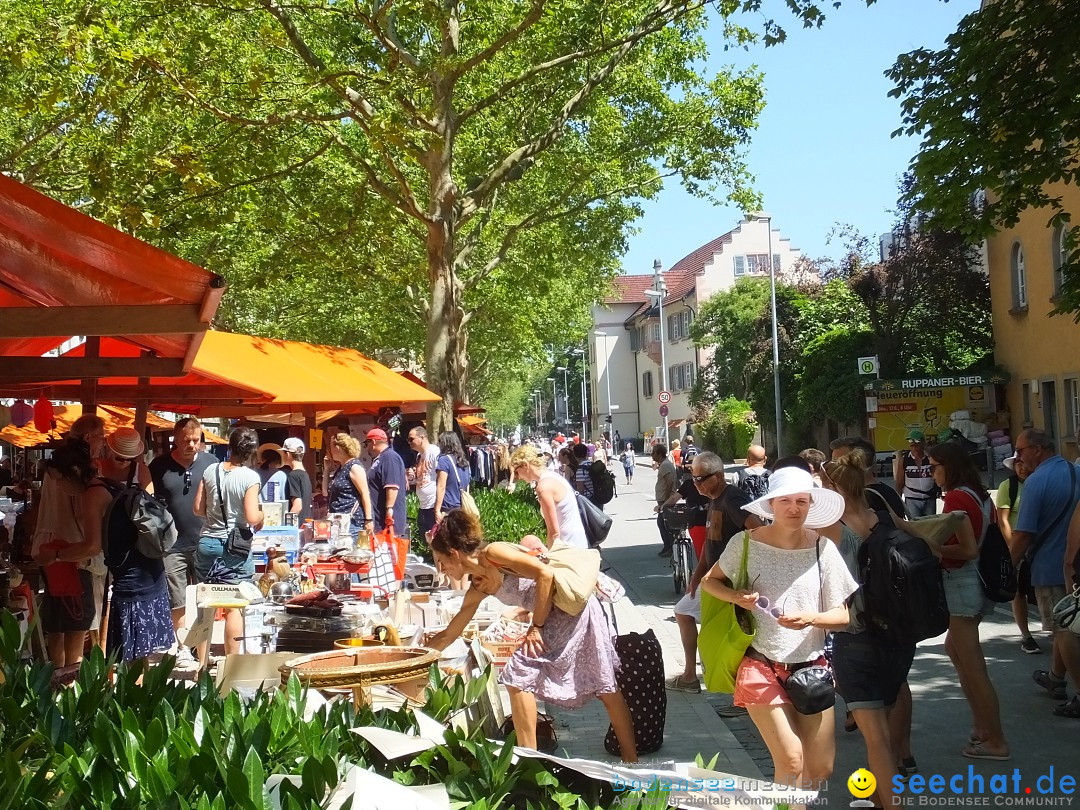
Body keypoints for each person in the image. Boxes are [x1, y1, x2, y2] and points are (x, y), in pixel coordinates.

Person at [426, 509, 637, 761]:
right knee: (527, 677)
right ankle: (531, 759)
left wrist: (535, 627)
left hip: (572, 610)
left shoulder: (493, 554)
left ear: (455, 553)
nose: (442, 570)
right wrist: (417, 656)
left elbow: (545, 574)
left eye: (441, 562)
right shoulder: (479, 585)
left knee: (601, 684)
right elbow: (451, 633)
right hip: (554, 616)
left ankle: (627, 761)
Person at [700, 467, 856, 790]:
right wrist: (736, 597)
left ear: (811, 504)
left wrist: (810, 618)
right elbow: (709, 582)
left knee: (821, 769)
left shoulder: (822, 547)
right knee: (792, 759)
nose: (794, 508)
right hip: (760, 664)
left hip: (811, 668)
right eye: (785, 500)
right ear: (770, 505)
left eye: (801, 501)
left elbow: (843, 617)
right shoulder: (744, 544)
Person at [819, 453, 919, 804]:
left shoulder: (830, 527)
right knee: (883, 739)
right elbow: (929, 548)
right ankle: (880, 801)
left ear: (832, 489)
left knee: (875, 739)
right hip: (896, 639)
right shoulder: (883, 517)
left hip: (855, 636)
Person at [46, 428, 173, 665]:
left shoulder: (93, 493)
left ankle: (133, 701)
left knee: (131, 656)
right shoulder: (108, 484)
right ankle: (137, 699)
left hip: (134, 578)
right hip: (148, 572)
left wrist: (54, 555)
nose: (60, 488)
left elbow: (91, 547)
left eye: (60, 481)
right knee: (136, 655)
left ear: (73, 472)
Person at [927, 440, 1010, 759]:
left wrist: (933, 547)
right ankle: (982, 729)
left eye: (935, 466)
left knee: (973, 665)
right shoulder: (975, 493)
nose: (931, 472)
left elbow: (965, 550)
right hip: (972, 581)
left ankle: (996, 740)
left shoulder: (958, 496)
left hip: (961, 580)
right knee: (957, 651)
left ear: (950, 466)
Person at [664, 452, 761, 695]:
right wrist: (695, 579)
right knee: (686, 612)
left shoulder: (732, 498)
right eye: (693, 478)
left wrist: (740, 565)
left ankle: (711, 683)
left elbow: (758, 529)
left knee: (735, 635)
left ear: (718, 476)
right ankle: (692, 676)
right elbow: (710, 545)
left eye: (700, 479)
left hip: (729, 582)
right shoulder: (714, 499)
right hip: (714, 581)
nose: (696, 484)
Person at [1009, 428, 1080, 718]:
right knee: (1071, 625)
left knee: (1063, 631)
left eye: (1021, 450)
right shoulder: (1074, 470)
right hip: (1077, 564)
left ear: (1038, 449)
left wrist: (1007, 566)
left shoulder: (1037, 481)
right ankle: (1055, 677)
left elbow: (1024, 533)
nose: (1018, 457)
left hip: (1051, 566)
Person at [32, 413, 107, 667]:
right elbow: (82, 514)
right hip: (74, 551)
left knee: (57, 621)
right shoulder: (79, 465)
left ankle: (57, 674)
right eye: (101, 437)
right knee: (77, 621)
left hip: (48, 544)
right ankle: (69, 680)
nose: (102, 443)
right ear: (89, 437)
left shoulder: (59, 460)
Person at [149, 416, 217, 666]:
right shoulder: (158, 465)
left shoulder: (211, 463)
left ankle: (203, 651)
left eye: (196, 440)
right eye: (186, 440)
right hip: (172, 544)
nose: (191, 445)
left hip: (204, 541)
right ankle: (182, 648)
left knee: (204, 598)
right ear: (175, 440)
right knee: (176, 598)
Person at [192, 427, 264, 658]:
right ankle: (231, 664)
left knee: (205, 606)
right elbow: (252, 517)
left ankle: (201, 665)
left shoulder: (210, 470)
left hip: (207, 542)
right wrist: (261, 516)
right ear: (251, 451)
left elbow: (197, 509)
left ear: (230, 446)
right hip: (235, 547)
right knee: (235, 606)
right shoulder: (251, 477)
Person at [996, 453, 1040, 654]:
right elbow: (1003, 520)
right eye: (1017, 463)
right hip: (1017, 544)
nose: (1021, 467)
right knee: (1018, 592)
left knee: (1040, 590)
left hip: (1039, 546)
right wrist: (1013, 548)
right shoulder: (1008, 486)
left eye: (1024, 462)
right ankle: (1026, 635)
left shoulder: (1039, 483)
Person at [511, 445, 587, 549]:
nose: (517, 477)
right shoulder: (553, 476)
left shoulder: (543, 488)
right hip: (577, 542)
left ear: (525, 465)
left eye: (516, 471)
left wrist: (550, 557)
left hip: (568, 548)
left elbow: (554, 533)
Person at [830, 436, 907, 517]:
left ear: (860, 462)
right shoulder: (888, 491)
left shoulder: (864, 499)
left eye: (840, 462)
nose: (833, 467)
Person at [327, 432, 373, 540]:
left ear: (338, 447)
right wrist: (326, 470)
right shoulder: (342, 468)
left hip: (351, 522)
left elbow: (365, 493)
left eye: (331, 447)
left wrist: (368, 519)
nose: (329, 450)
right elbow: (326, 491)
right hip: (338, 522)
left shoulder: (354, 467)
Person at [365, 428, 408, 536]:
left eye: (367, 443)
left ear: (373, 442)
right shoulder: (382, 458)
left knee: (389, 551)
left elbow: (392, 486)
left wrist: (389, 509)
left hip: (388, 522)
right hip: (380, 520)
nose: (366, 447)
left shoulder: (390, 457)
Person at [894, 430, 938, 518]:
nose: (914, 446)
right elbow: (899, 482)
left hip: (929, 498)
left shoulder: (930, 458)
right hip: (912, 500)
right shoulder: (904, 460)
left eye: (916, 442)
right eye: (911, 442)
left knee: (931, 526)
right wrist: (898, 503)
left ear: (923, 443)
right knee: (915, 527)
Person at [408, 427, 441, 540]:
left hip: (433, 504)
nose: (409, 442)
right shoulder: (419, 456)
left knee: (436, 541)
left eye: (411, 439)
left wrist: (438, 507)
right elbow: (421, 477)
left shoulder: (434, 451)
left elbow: (442, 477)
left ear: (422, 438)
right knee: (425, 539)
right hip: (423, 505)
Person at [433, 431, 471, 519]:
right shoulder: (464, 462)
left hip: (448, 505)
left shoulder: (444, 460)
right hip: (461, 505)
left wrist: (437, 510)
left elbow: (441, 486)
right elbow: (467, 484)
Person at [652, 443, 678, 557]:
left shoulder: (665, 465)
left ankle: (670, 548)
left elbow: (670, 481)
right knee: (663, 523)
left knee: (664, 524)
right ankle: (667, 547)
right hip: (664, 499)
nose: (652, 455)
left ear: (659, 454)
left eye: (654, 453)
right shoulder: (663, 464)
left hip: (665, 500)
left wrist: (667, 499)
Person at [282, 437, 313, 523]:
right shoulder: (305, 474)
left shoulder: (293, 475)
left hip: (296, 526)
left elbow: (297, 506)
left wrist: (285, 525)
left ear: (287, 454)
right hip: (305, 524)